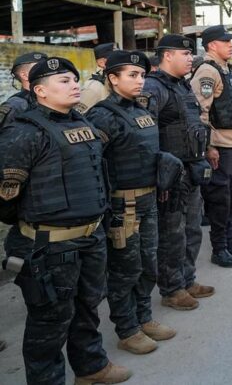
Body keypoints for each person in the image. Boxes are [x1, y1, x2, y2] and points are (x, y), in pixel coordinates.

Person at [0, 57, 132, 384]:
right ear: (39, 90)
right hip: (49, 244)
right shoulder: (23, 132)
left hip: (90, 237)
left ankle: (91, 368)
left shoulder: (82, 123)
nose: (74, 85)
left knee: (88, 308)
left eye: (75, 79)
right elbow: (5, 199)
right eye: (63, 81)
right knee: (50, 322)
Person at [86, 51, 177, 354]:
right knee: (125, 270)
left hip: (149, 199)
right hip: (123, 207)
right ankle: (127, 329)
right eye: (132, 75)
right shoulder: (101, 116)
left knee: (148, 264)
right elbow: (92, 165)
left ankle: (144, 318)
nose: (140, 81)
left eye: (142, 75)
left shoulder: (141, 111)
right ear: (112, 78)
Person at [142, 34, 215, 311]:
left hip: (192, 168)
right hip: (170, 173)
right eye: (184, 54)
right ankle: (172, 289)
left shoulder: (182, 86)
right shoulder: (153, 87)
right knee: (172, 232)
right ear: (167, 55)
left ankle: (187, 279)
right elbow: (145, 135)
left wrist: (207, 150)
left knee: (192, 228)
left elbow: (194, 124)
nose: (190, 58)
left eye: (190, 54)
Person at [191, 25, 232, 268]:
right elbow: (200, 112)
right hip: (220, 145)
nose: (230, 44)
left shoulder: (226, 69)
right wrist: (208, 146)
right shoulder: (207, 71)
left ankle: (229, 242)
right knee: (220, 200)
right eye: (225, 41)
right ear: (211, 45)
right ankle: (220, 248)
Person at [0, 51, 48, 128]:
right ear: (24, 75)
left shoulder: (52, 98)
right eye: (40, 68)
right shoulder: (16, 105)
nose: (48, 72)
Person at [75, 42, 116, 113]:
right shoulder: (94, 87)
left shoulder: (113, 83)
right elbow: (80, 116)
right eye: (116, 58)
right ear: (102, 63)